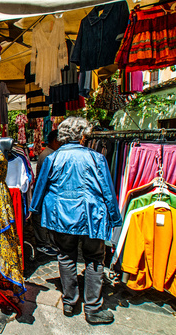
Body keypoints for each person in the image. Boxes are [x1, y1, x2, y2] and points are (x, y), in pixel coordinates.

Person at [30, 117, 122, 325]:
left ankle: (70, 302)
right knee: (94, 258)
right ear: (82, 135)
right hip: (91, 215)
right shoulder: (96, 157)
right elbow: (108, 190)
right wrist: (115, 217)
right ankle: (93, 308)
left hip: (61, 216)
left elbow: (41, 186)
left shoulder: (53, 158)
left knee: (66, 256)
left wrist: (34, 209)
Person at [32, 129, 61, 256]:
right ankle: (43, 243)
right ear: (55, 140)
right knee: (40, 219)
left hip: (46, 191)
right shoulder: (48, 155)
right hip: (45, 192)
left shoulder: (50, 154)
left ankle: (46, 242)